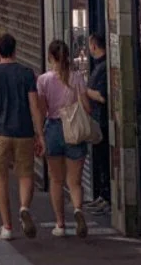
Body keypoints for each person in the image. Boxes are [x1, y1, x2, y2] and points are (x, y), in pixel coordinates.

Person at [0, 33, 45, 242]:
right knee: (25, 174)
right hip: (24, 132)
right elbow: (34, 106)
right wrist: (40, 134)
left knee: (0, 178)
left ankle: (6, 226)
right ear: (15, 49)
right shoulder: (26, 73)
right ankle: (24, 207)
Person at [37, 39, 92, 238]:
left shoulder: (43, 80)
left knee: (56, 180)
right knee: (75, 181)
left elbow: (43, 110)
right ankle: (78, 210)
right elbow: (86, 106)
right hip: (74, 130)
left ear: (50, 57)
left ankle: (60, 224)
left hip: (53, 129)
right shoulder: (77, 77)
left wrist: (40, 134)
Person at [86, 33, 110, 215]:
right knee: (100, 160)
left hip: (102, 121)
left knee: (103, 159)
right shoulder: (99, 66)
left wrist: (85, 91)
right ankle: (102, 195)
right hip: (96, 120)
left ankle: (107, 197)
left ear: (94, 46)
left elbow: (102, 96)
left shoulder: (103, 67)